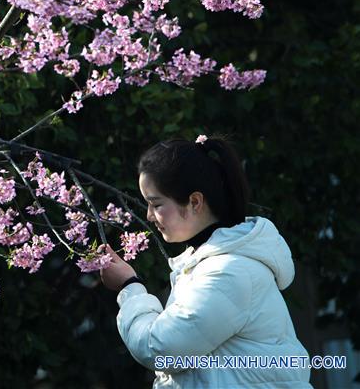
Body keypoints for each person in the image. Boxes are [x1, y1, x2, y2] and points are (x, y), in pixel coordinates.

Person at [99, 137, 312, 388]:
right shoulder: (210, 264)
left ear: (195, 202)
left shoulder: (228, 272)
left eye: (156, 204)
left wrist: (130, 287)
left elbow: (160, 349)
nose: (148, 215)